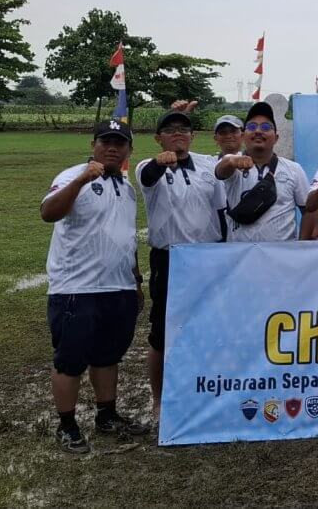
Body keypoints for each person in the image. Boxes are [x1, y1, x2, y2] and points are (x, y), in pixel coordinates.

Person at [40, 120, 148, 453]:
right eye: (105, 141)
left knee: (107, 356)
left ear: (129, 150)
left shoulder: (127, 188)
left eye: (120, 142)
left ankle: (107, 415)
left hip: (118, 287)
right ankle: (67, 425)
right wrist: (81, 180)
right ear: (93, 145)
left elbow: (126, 238)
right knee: (70, 360)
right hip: (77, 288)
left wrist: (136, 280)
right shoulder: (71, 176)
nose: (112, 147)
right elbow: (48, 212)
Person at [136, 111, 226, 420]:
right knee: (163, 333)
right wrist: (161, 162)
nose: (178, 133)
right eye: (170, 130)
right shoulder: (147, 166)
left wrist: (225, 254)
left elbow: (220, 211)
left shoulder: (207, 165)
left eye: (184, 129)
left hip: (208, 257)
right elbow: (148, 177)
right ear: (157, 138)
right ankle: (159, 401)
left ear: (192, 136)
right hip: (170, 259)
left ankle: (204, 392)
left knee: (209, 328)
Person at [215, 101, 309, 241]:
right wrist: (232, 161)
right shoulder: (232, 163)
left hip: (282, 252)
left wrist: (303, 244)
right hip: (240, 252)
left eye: (266, 127)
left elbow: (307, 210)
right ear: (243, 136)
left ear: (276, 138)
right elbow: (220, 170)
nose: (258, 131)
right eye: (252, 126)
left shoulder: (294, 169)